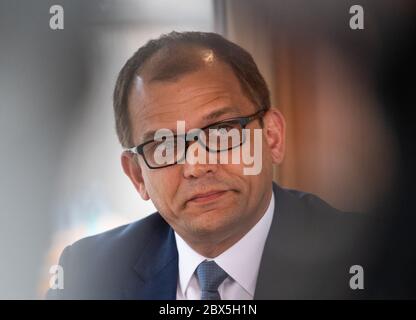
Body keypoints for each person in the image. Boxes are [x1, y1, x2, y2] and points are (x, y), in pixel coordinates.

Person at [47, 31, 368, 300]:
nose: (197, 166)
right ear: (136, 175)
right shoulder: (89, 276)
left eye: (222, 132)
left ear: (272, 138)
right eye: (164, 146)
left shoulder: (367, 260)